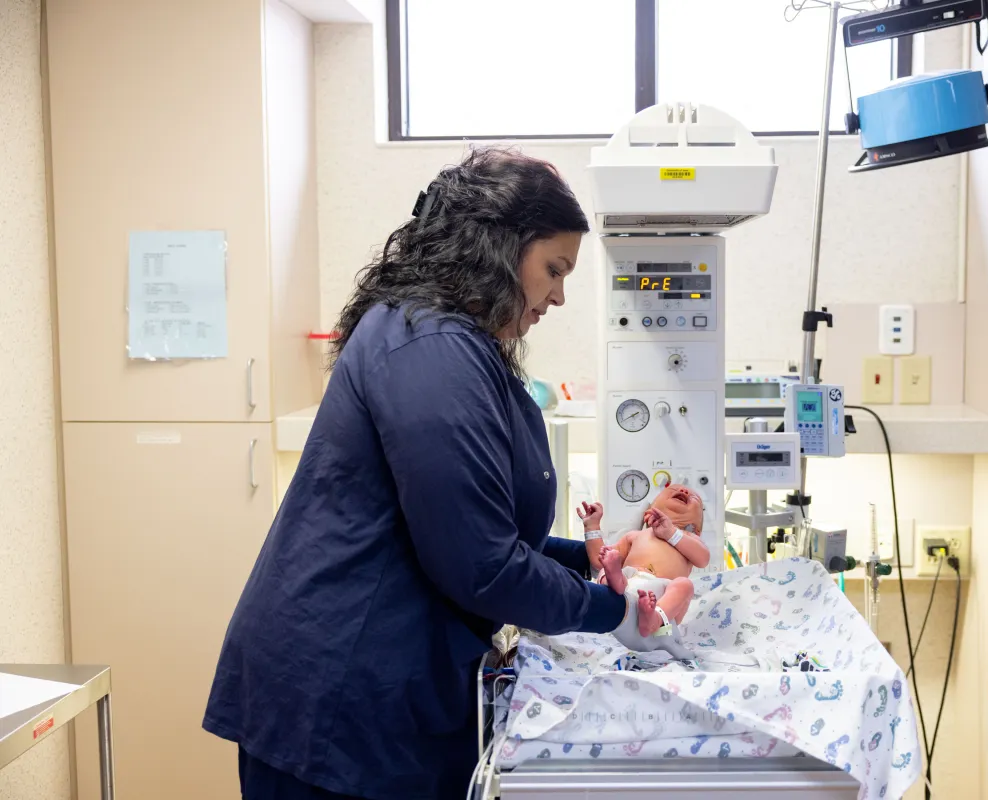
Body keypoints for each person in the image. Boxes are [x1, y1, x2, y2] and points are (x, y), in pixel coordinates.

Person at [201, 147, 635, 800]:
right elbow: (479, 563)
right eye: (554, 269)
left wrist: (587, 561)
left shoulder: (453, 344)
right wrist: (615, 609)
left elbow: (467, 524)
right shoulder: (427, 348)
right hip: (339, 700)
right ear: (497, 246)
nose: (559, 295)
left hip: (375, 688)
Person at [577, 485, 710, 637]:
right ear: (649, 512)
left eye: (695, 499)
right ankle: (616, 582)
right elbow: (598, 560)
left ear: (696, 529)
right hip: (627, 585)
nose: (685, 491)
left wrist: (671, 533)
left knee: (684, 585)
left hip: (662, 597)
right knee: (606, 565)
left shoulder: (689, 539)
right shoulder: (635, 536)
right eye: (673, 490)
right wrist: (592, 526)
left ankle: (655, 619)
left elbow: (703, 560)